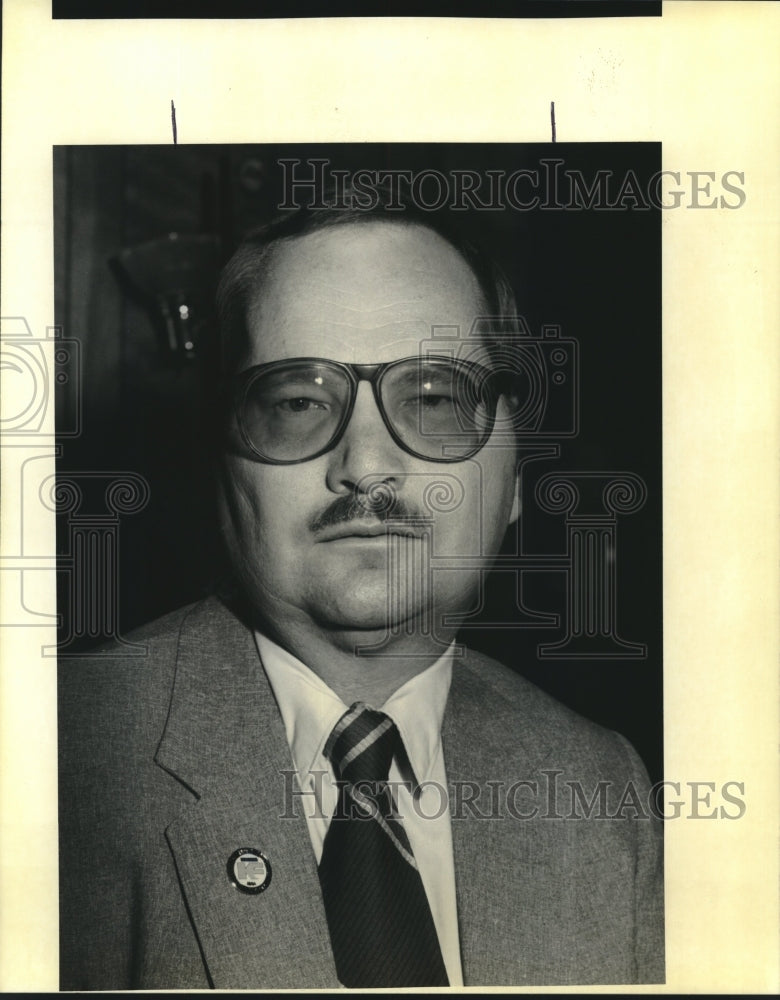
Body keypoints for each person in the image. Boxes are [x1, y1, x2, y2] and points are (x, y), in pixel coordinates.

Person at [58, 190, 664, 990]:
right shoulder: (59, 751)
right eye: (298, 402)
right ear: (222, 465)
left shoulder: (599, 788)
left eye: (435, 398)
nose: (367, 463)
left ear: (516, 474)